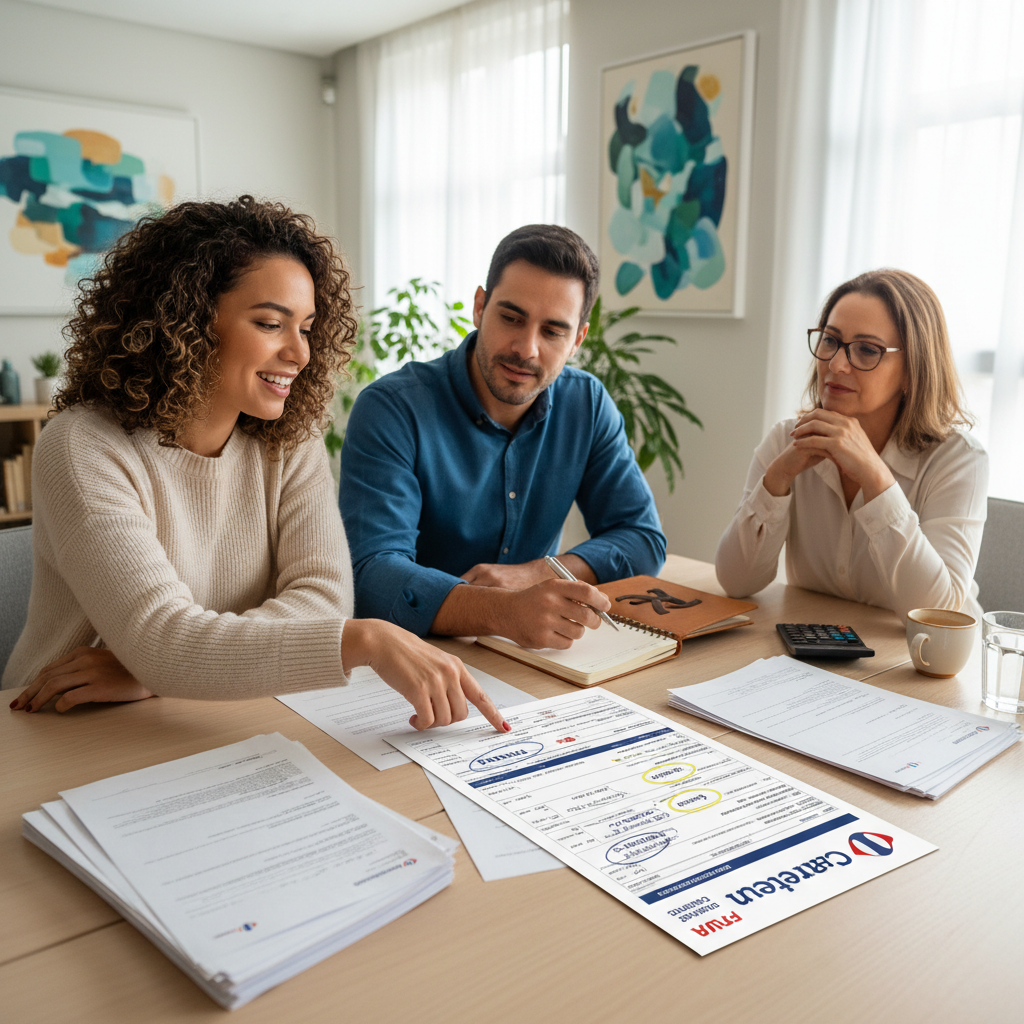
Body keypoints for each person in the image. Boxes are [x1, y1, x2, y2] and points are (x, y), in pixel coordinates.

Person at [5, 195, 508, 733]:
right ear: (185, 322)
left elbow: (323, 601)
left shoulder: (289, 439)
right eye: (271, 323)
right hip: (62, 723)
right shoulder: (82, 447)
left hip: (216, 710)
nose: (301, 353)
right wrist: (361, 638)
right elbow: (163, 638)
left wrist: (166, 668)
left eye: (307, 328)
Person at [339, 225, 666, 650]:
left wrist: (537, 573)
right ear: (480, 307)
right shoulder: (391, 409)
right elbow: (371, 574)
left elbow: (642, 537)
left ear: (577, 340)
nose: (526, 349)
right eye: (511, 318)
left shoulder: (587, 404)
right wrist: (501, 611)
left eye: (553, 331)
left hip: (531, 658)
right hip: (413, 657)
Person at [715, 269, 987, 622]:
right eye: (830, 340)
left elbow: (938, 613)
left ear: (912, 369)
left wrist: (876, 478)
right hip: (817, 645)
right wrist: (779, 476)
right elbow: (736, 581)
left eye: (867, 350)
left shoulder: (959, 459)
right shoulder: (786, 440)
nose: (836, 364)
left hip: (922, 654)